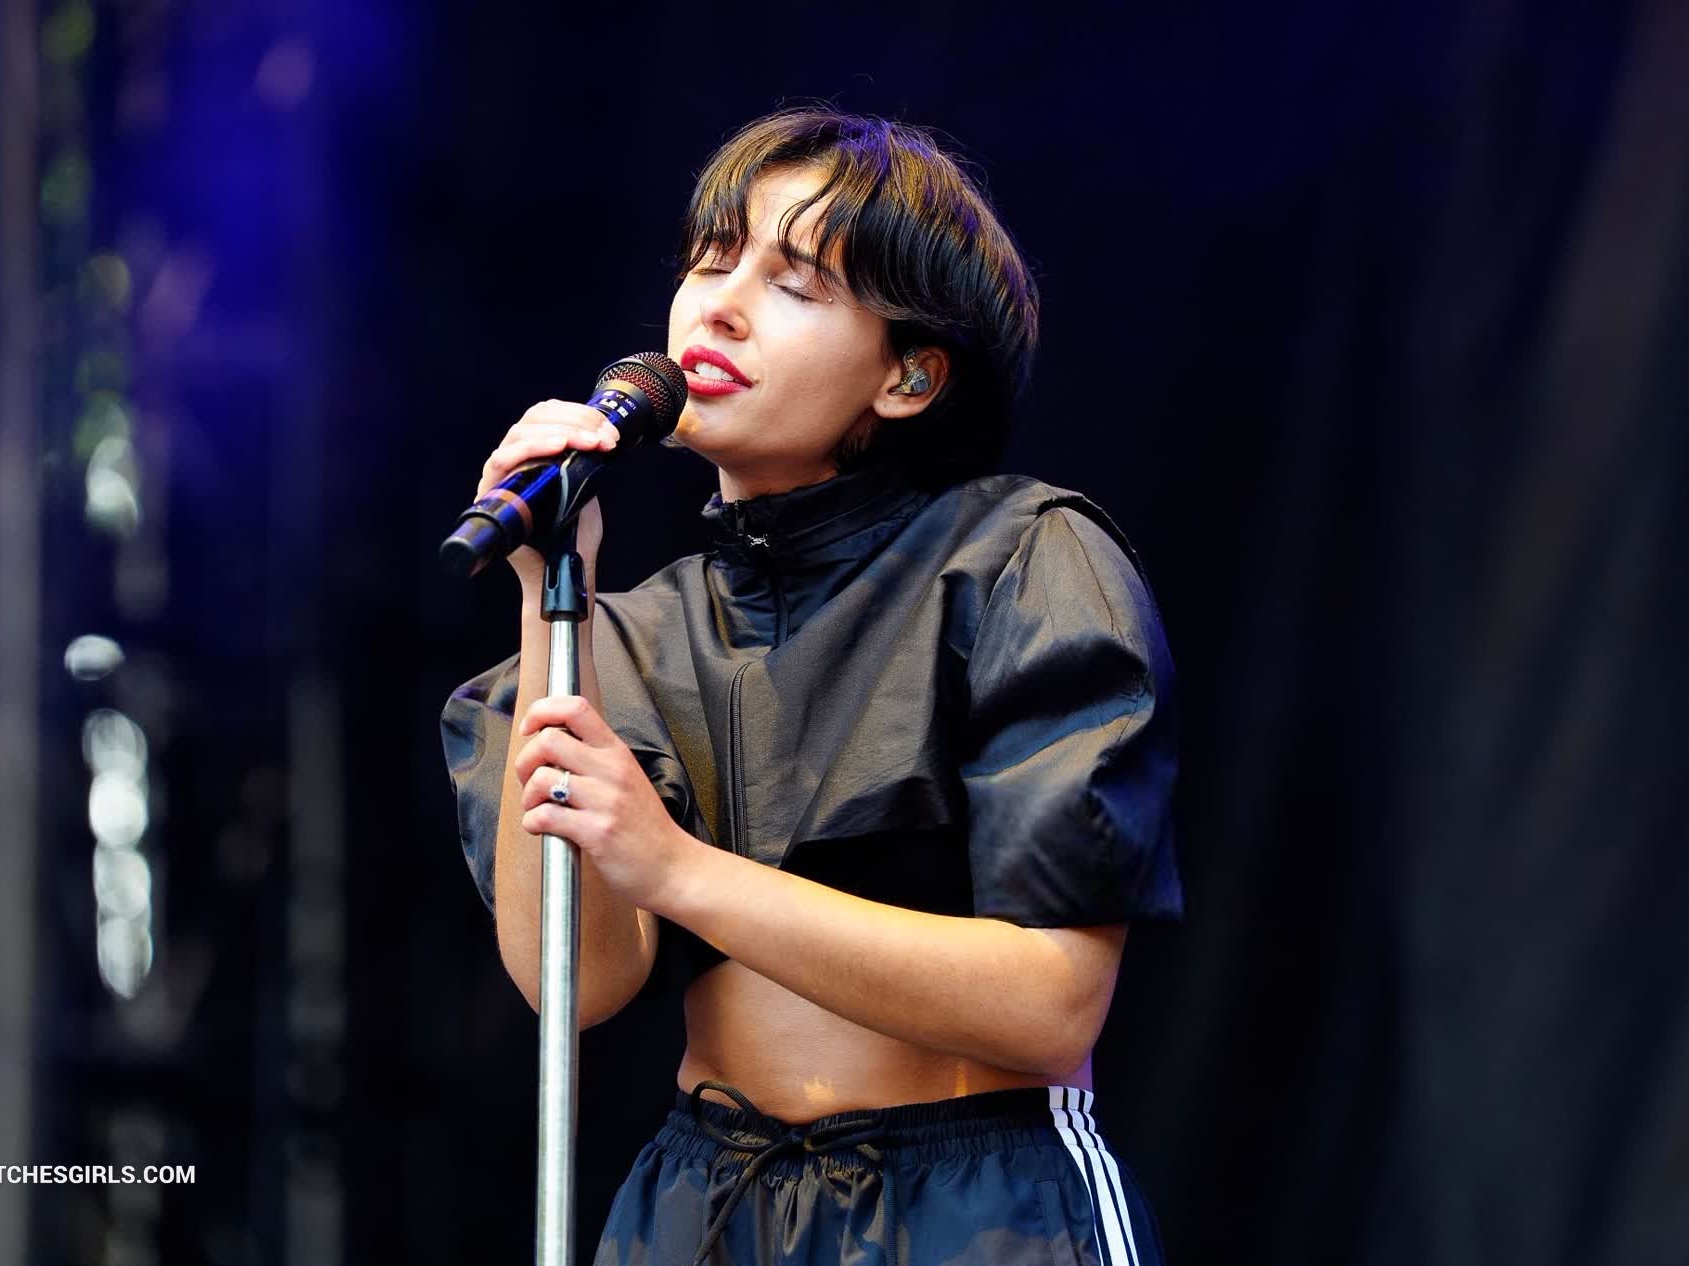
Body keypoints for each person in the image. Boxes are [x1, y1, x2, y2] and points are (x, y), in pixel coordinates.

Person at [442, 108, 1182, 1266]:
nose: (720, 306)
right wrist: (552, 595)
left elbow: (1049, 1008)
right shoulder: (631, 632)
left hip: (971, 1202)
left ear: (908, 375)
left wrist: (679, 869)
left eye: (794, 283)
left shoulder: (1018, 560)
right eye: (711, 260)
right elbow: (575, 987)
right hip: (704, 1201)